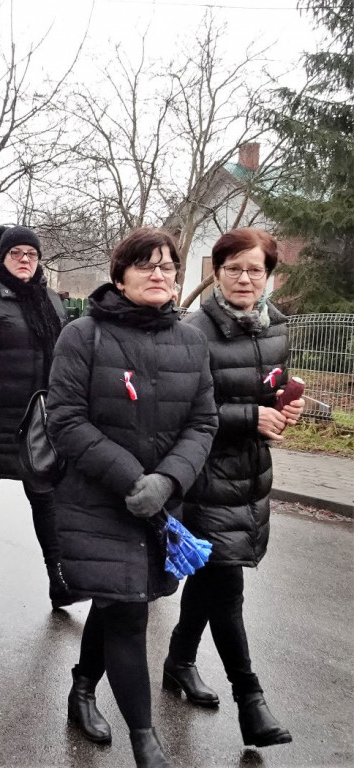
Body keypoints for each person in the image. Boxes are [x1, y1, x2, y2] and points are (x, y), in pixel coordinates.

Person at [47, 227, 217, 767]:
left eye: (168, 265)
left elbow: (203, 421)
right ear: (120, 275)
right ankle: (146, 744)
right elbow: (66, 419)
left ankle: (80, 688)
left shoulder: (192, 341)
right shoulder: (83, 335)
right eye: (146, 264)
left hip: (161, 505)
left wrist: (167, 481)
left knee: (122, 599)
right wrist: (130, 478)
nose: (160, 274)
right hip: (97, 501)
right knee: (125, 612)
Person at [163, 228, 301, 748]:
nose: (245, 278)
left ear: (269, 276)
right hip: (200, 476)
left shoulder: (276, 329)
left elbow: (269, 387)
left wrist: (283, 407)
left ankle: (178, 662)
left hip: (251, 475)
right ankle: (251, 700)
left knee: (211, 579)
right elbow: (178, 413)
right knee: (227, 587)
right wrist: (249, 417)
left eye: (256, 269)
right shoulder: (193, 333)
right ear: (216, 273)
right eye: (234, 268)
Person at [0, 225, 68, 601]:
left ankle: (59, 577)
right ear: (3, 258)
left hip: (39, 417)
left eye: (31, 255)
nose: (25, 260)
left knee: (46, 496)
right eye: (17, 253)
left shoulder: (50, 300)